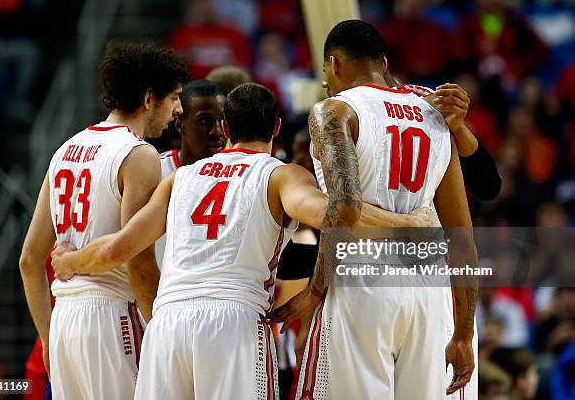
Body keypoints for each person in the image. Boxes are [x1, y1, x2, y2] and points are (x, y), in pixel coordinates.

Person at [50, 83, 432, 399]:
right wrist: (406, 224)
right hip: (232, 324)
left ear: (226, 128)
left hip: (167, 326)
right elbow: (335, 213)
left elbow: (119, 248)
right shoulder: (281, 176)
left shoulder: (180, 178)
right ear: (278, 127)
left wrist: (68, 263)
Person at [269, 20, 478, 399]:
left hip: (361, 281)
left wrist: (316, 291)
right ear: (383, 63)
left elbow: (345, 207)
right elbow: (462, 235)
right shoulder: (435, 115)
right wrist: (464, 333)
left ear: (333, 64)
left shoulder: (334, 110)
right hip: (429, 290)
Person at [19, 42, 189, 400]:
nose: (178, 109)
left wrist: (49, 340)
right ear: (148, 99)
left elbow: (29, 260)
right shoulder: (139, 154)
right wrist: (160, 329)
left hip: (64, 321)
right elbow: (137, 257)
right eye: (173, 97)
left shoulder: (64, 150)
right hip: (113, 317)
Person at [155, 79, 226, 268]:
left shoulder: (241, 175)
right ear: (180, 124)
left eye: (223, 120)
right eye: (204, 121)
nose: (217, 131)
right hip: (159, 291)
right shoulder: (154, 171)